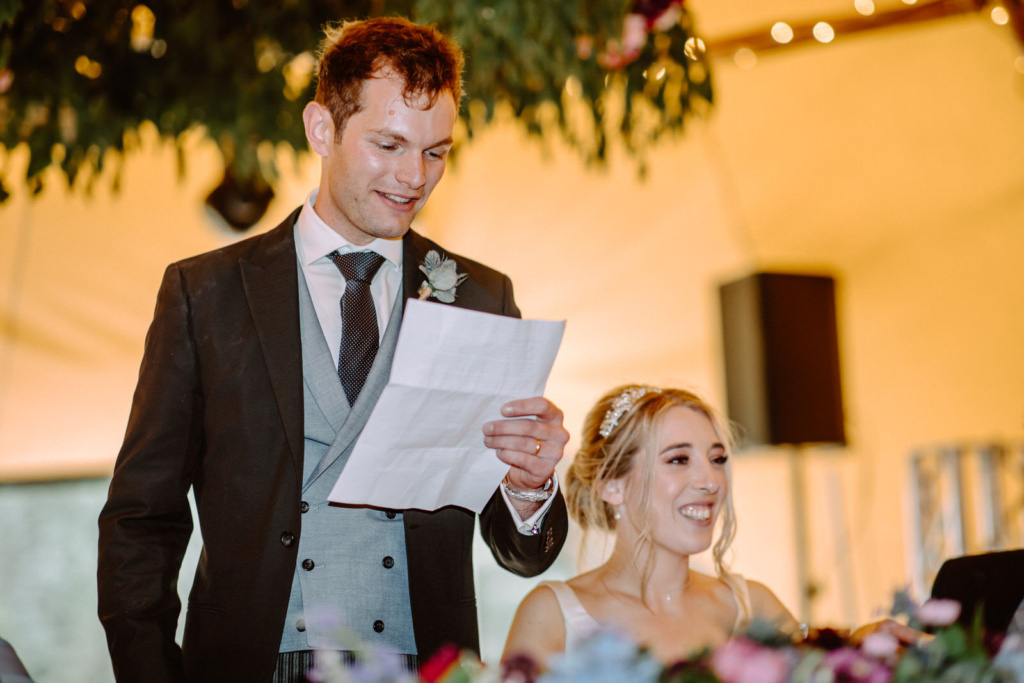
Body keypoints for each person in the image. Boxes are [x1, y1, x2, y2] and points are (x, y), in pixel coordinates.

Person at [97, 17, 569, 683]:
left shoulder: (479, 294)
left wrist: (529, 485)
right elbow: (140, 520)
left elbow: (521, 552)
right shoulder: (204, 292)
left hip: (425, 665)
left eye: (437, 152)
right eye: (389, 144)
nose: (414, 176)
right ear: (322, 128)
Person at [502, 385, 797, 666]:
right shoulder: (553, 614)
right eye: (679, 459)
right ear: (612, 485)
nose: (711, 481)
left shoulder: (754, 607)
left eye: (717, 459)